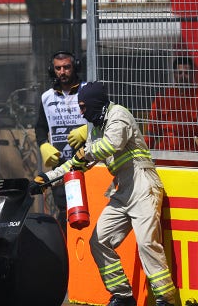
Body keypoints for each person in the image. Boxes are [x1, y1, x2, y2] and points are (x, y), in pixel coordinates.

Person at [31, 81, 177, 306]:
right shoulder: (95, 127)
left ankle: (166, 299)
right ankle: (122, 295)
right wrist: (48, 180)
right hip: (123, 190)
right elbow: (78, 163)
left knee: (147, 243)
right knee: (99, 241)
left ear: (94, 103)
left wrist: (84, 153)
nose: (81, 112)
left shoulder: (119, 115)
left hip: (143, 185)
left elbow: (111, 145)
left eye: (83, 106)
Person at [35, 51, 88, 235]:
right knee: (65, 211)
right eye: (58, 68)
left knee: (89, 209)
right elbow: (40, 127)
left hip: (88, 162)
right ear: (53, 70)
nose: (62, 72)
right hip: (61, 165)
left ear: (75, 67)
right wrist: (43, 144)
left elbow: (102, 120)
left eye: (67, 67)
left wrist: (87, 130)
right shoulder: (46, 97)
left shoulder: (87, 90)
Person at [145, 56, 198, 152]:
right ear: (174, 74)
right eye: (180, 72)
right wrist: (145, 154)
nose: (183, 76)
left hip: (192, 156)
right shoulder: (163, 97)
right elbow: (152, 131)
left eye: (187, 73)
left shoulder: (196, 97)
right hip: (166, 155)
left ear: (192, 75)